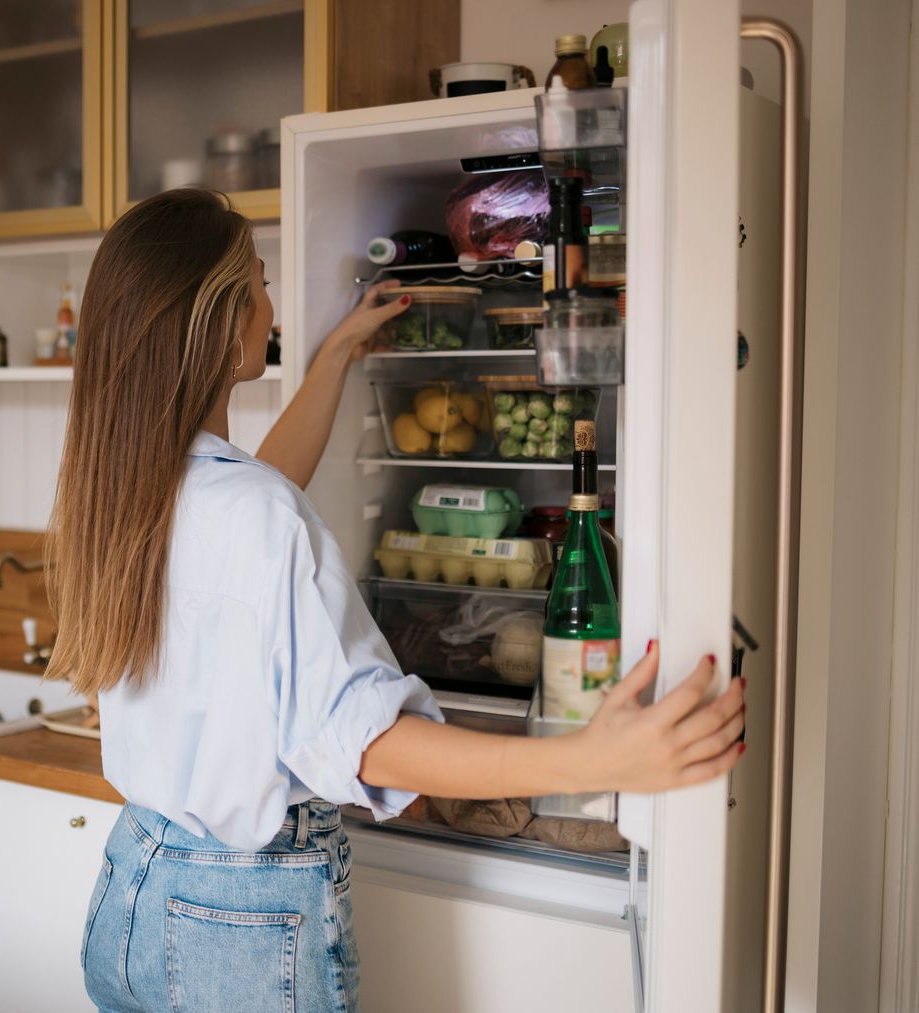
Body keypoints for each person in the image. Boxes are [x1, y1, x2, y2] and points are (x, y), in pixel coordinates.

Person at [46, 189, 743, 1012]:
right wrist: (590, 760)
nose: (269, 304)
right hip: (243, 924)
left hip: (134, 886)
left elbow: (263, 498)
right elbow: (365, 743)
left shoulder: (119, 490)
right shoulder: (253, 515)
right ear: (226, 320)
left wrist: (340, 352)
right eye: (259, 282)